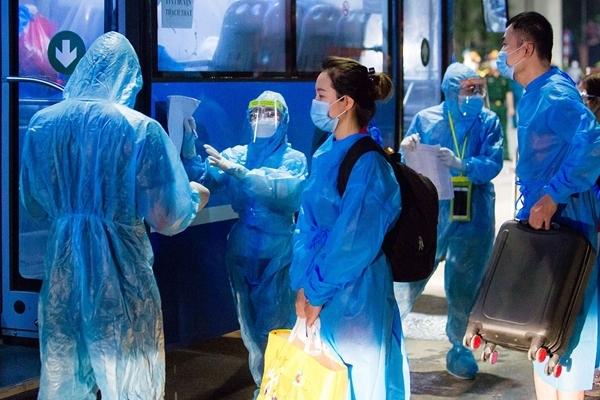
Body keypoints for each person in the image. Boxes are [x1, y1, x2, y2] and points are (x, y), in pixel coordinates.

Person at [19, 32, 208, 400]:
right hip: (122, 275)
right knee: (131, 378)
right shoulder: (140, 130)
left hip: (63, 272)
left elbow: (34, 203)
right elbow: (167, 217)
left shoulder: (43, 123)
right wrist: (195, 198)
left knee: (63, 376)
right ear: (128, 78)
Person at [290, 56, 410, 399]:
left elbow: (353, 241)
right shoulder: (326, 152)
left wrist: (315, 291)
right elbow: (306, 227)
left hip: (356, 295)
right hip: (319, 291)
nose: (315, 103)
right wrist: (303, 286)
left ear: (346, 103)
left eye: (321, 95)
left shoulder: (368, 164)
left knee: (361, 384)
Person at [496, 11, 600, 399]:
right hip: (544, 227)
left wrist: (554, 195)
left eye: (506, 45)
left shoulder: (555, 95)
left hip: (567, 227)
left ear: (526, 49)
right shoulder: (535, 94)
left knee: (565, 334)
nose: (502, 53)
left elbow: (593, 143)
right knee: (542, 332)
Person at [181, 90, 308, 392]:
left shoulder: (293, 159)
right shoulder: (237, 153)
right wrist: (188, 145)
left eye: (269, 113)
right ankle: (263, 385)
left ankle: (276, 389)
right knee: (249, 326)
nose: (261, 119)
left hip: (277, 249)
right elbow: (202, 178)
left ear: (283, 119)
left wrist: (239, 172)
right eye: (256, 113)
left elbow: (285, 192)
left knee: (274, 324)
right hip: (241, 249)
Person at [396, 62, 503, 380]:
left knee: (465, 287)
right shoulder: (426, 119)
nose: (476, 94)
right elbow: (408, 162)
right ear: (451, 90)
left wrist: (463, 164)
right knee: (408, 279)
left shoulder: (489, 121)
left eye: (479, 88)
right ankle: (389, 340)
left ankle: (461, 349)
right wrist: (406, 150)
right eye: (469, 89)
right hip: (433, 213)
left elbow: (493, 162)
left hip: (473, 215)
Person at [485, 50, 515, 160]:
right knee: (491, 131)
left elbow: (508, 93)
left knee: (503, 130)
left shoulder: (504, 77)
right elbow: (484, 94)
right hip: (491, 106)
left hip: (502, 106)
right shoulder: (487, 77)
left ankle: (505, 154)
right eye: (491, 60)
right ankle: (491, 154)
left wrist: (511, 107)